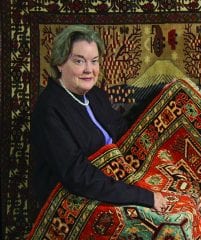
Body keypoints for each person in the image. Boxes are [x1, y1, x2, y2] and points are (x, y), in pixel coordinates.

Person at [31, 25, 167, 213]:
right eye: (79, 61)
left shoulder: (95, 95)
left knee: (182, 195)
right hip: (73, 200)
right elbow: (78, 177)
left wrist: (160, 94)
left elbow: (122, 130)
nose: (89, 70)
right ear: (60, 63)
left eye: (94, 61)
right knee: (168, 226)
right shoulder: (49, 109)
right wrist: (144, 196)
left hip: (111, 184)